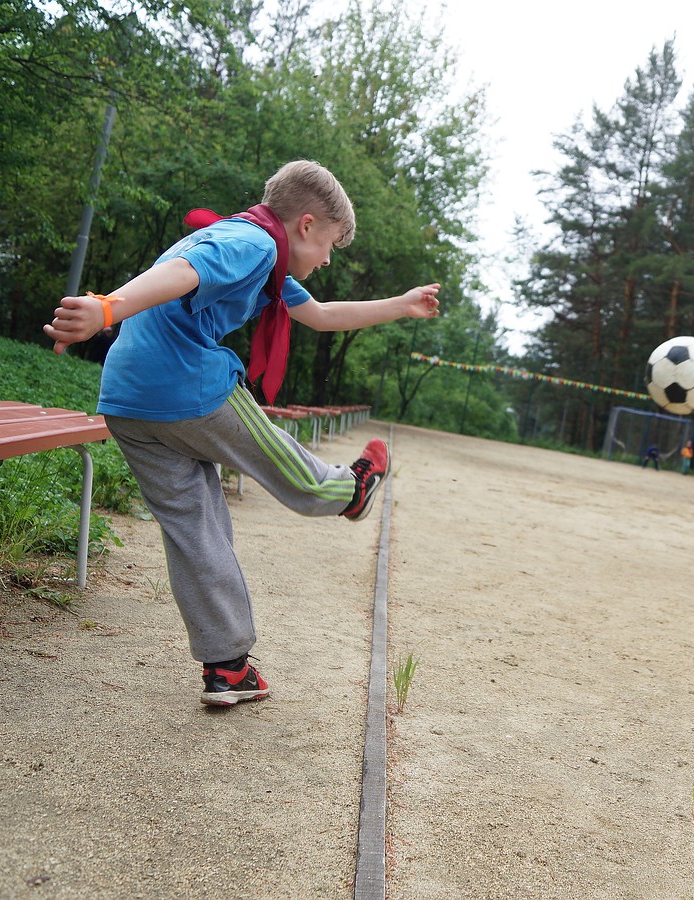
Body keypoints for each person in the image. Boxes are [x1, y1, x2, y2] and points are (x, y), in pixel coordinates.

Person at [44, 159, 442, 707]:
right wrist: (109, 306)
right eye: (329, 244)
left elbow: (322, 315)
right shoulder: (251, 243)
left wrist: (400, 305)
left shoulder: (260, 255)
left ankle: (227, 667)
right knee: (278, 460)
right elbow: (186, 272)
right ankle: (348, 491)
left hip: (128, 401)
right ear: (305, 224)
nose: (327, 258)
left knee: (196, 528)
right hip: (187, 388)